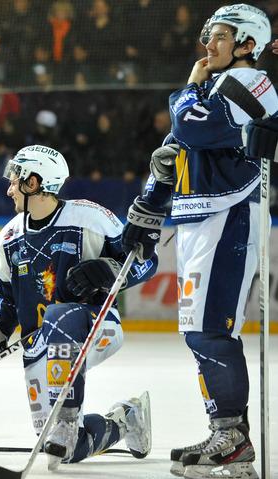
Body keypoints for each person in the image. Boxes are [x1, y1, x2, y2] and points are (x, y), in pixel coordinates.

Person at [120, 5, 277, 479]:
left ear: (248, 44)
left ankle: (233, 441)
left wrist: (188, 88)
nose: (208, 45)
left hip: (228, 215)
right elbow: (176, 148)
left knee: (210, 330)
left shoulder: (250, 81)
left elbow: (191, 126)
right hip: (200, 216)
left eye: (221, 36)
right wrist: (150, 205)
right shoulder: (216, 87)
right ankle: (224, 432)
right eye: (209, 35)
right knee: (199, 331)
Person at [0, 145, 157, 470]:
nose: (9, 189)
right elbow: (6, 305)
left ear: (34, 182)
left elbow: (146, 262)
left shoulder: (89, 218)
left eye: (15, 181)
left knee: (58, 317)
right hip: (40, 346)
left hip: (96, 328)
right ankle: (126, 420)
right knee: (64, 448)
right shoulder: (8, 239)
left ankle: (67, 419)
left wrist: (109, 270)